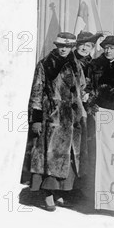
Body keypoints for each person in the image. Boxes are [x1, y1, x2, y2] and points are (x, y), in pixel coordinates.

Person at [21, 31, 92, 211]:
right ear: (57, 46)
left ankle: (61, 193)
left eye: (67, 47)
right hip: (52, 116)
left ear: (71, 47)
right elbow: (36, 91)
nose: (64, 50)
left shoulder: (76, 64)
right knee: (50, 157)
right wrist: (36, 118)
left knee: (67, 159)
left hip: (72, 117)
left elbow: (82, 86)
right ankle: (48, 194)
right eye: (61, 46)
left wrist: (85, 97)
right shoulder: (45, 64)